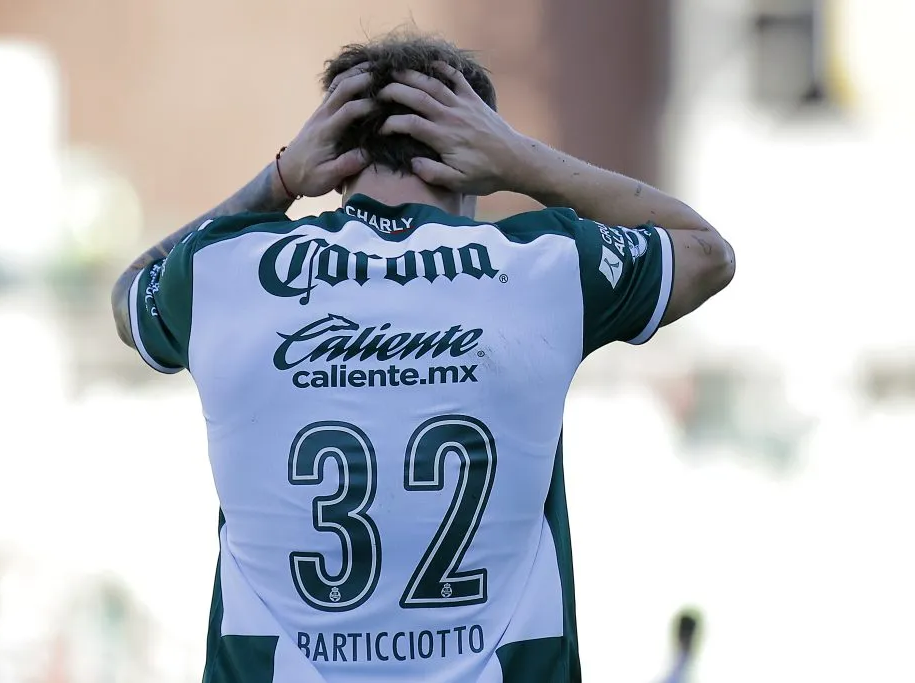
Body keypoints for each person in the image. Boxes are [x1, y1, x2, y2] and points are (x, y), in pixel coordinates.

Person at [111, 33, 734, 683]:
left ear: (337, 157)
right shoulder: (540, 267)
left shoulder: (223, 271)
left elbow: (129, 294)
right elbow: (706, 251)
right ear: (474, 154)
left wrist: (281, 179)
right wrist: (523, 163)